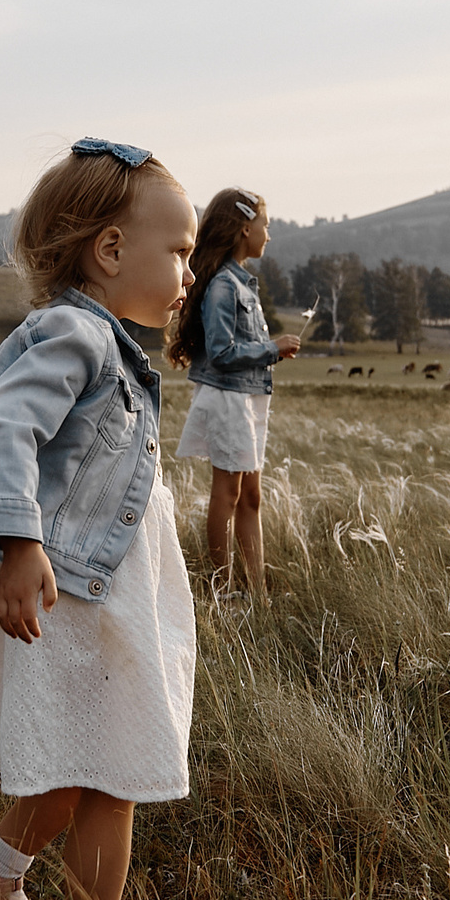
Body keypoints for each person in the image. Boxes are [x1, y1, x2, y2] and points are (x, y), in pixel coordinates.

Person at [0, 137, 200, 900]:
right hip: (73, 592)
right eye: (178, 250)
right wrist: (21, 542)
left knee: (76, 762)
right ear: (111, 250)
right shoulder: (75, 334)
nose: (190, 270)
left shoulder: (106, 343)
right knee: (115, 765)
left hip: (95, 589)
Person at [166, 188, 302, 596]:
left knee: (251, 496)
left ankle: (256, 591)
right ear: (245, 228)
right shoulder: (225, 285)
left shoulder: (241, 283)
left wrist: (268, 353)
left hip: (246, 397)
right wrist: (271, 348)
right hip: (226, 398)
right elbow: (222, 352)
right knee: (227, 494)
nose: (269, 234)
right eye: (266, 225)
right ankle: (221, 588)